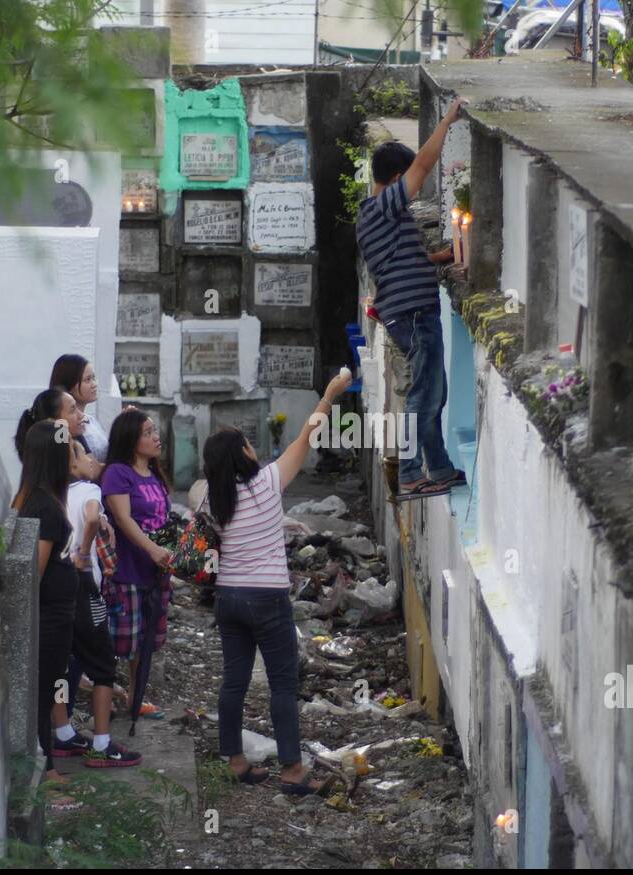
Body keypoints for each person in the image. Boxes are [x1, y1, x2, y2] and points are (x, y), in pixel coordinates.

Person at [202, 368, 355, 795]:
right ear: (244, 455)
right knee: (283, 684)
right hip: (267, 597)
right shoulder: (268, 483)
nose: (254, 447)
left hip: (228, 596)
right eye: (248, 444)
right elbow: (307, 434)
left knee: (233, 680)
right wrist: (329, 394)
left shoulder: (212, 499)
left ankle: (233, 760)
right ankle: (291, 769)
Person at [357, 97, 470, 502]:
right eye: (406, 180)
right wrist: (446, 122)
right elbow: (422, 167)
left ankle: (437, 467)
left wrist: (445, 256)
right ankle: (408, 472)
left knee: (431, 393)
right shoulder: (381, 207)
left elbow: (408, 259)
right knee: (426, 395)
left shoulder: (379, 217)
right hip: (414, 314)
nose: (412, 188)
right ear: (395, 178)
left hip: (411, 312)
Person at [52, 441, 142, 768]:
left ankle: (62, 734)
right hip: (83, 586)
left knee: (62, 661)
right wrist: (83, 553)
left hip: (55, 586)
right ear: (72, 466)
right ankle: (102, 745)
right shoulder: (89, 490)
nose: (91, 458)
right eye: (82, 454)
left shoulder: (48, 493)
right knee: (104, 661)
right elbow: (91, 518)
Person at [11, 421, 80, 789]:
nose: (75, 453)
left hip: (56, 615)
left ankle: (48, 762)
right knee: (45, 687)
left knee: (51, 685)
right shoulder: (45, 507)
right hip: (49, 618)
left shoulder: (37, 498)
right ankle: (46, 770)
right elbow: (33, 572)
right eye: (69, 447)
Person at [101, 408, 173, 733]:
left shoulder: (155, 475)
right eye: (147, 432)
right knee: (123, 642)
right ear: (130, 439)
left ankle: (135, 695)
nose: (155, 436)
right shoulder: (118, 473)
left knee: (147, 640)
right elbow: (124, 520)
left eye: (154, 430)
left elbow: (163, 521)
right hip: (128, 571)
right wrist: (153, 550)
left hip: (156, 572)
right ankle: (112, 700)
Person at [50, 354, 109, 462]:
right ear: (70, 385)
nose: (94, 384)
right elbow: (86, 468)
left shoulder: (91, 420)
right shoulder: (61, 424)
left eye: (94, 378)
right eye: (87, 380)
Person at [15, 387, 88, 461]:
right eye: (72, 410)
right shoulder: (52, 463)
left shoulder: (77, 439)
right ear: (53, 421)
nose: (81, 415)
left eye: (77, 407)